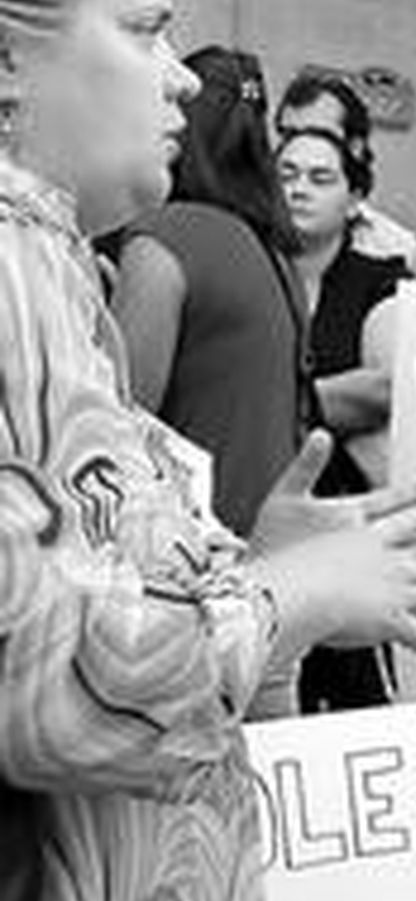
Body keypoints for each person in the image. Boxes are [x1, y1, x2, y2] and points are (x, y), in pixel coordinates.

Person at [0, 0, 416, 901]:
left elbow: (85, 569)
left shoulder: (60, 266)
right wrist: (288, 594)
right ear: (6, 59)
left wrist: (255, 561)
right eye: (143, 31)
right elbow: (40, 679)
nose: (184, 79)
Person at [112, 45, 310, 541]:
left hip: (192, 549)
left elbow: (117, 423)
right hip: (271, 541)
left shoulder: (168, 237)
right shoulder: (278, 255)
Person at [278, 121, 411, 711]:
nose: (299, 188)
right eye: (287, 174)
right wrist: (334, 399)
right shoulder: (253, 269)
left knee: (361, 705)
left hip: (355, 528)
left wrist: (279, 401)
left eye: (320, 177)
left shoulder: (381, 282)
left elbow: (384, 389)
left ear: (354, 198)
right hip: (265, 526)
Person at [275, 69, 416, 269]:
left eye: (320, 135)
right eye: (289, 135)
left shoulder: (395, 247)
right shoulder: (249, 234)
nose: (301, 144)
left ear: (355, 148)